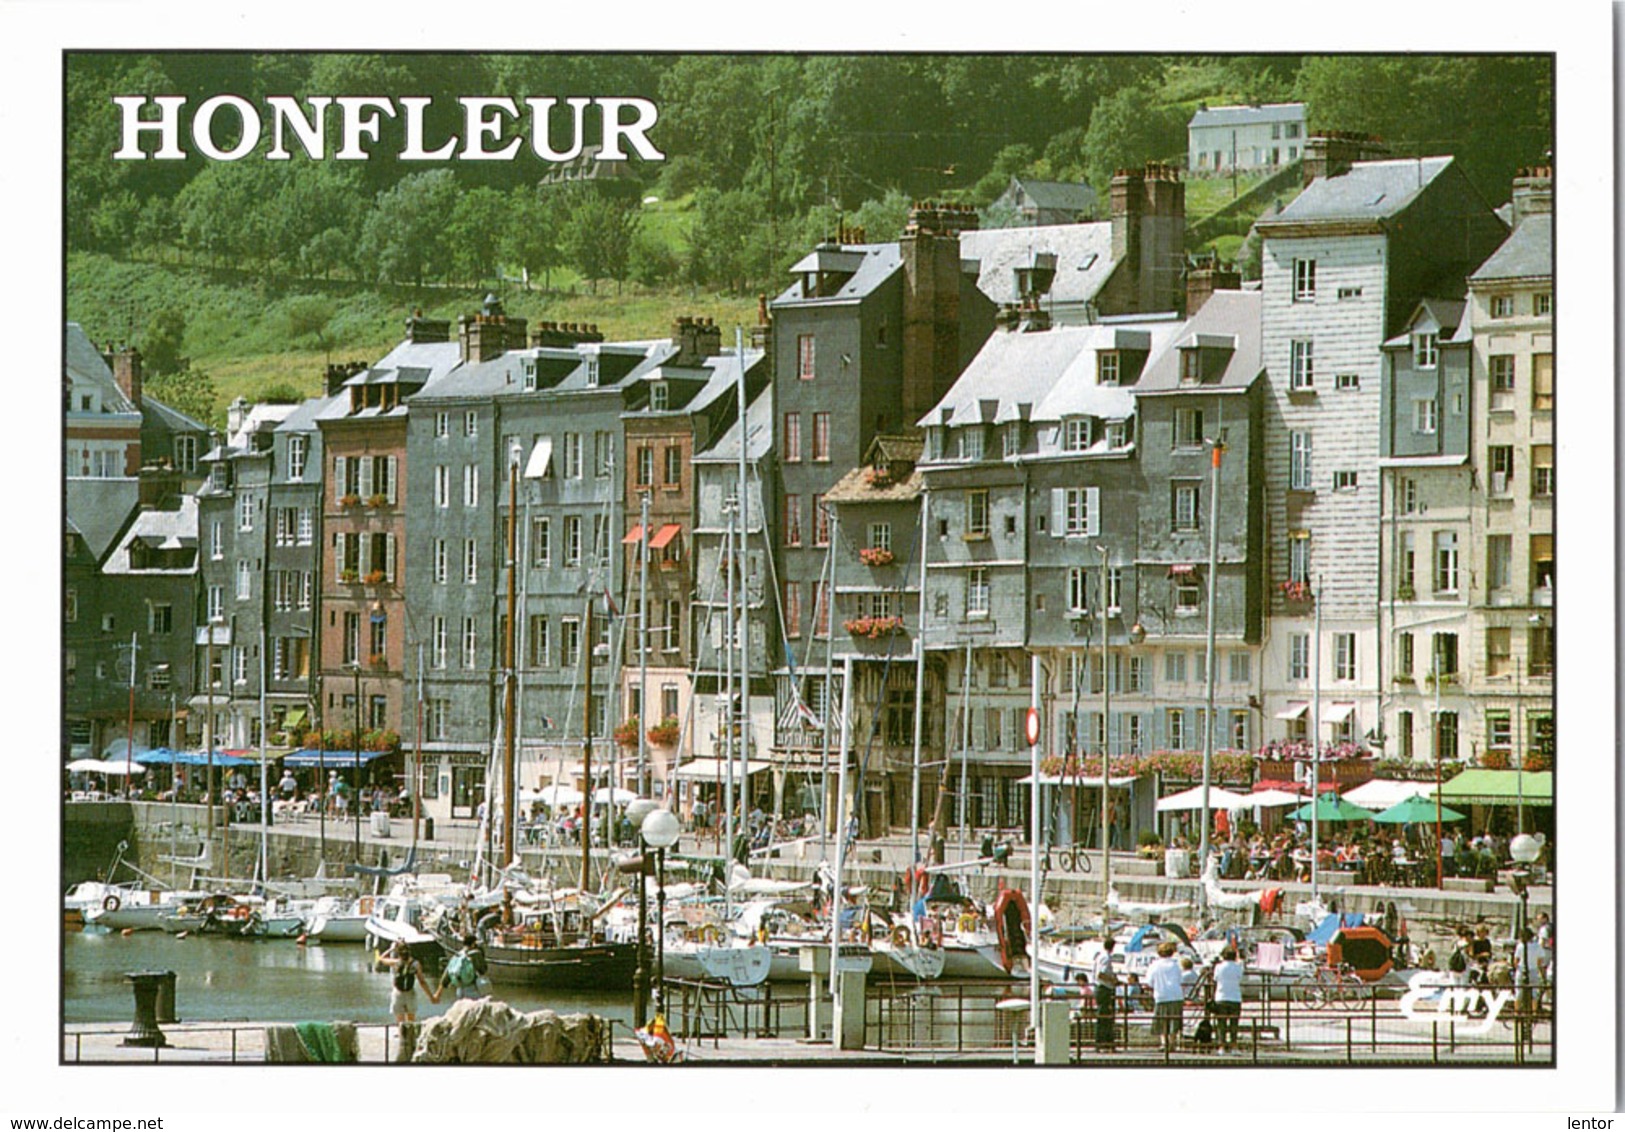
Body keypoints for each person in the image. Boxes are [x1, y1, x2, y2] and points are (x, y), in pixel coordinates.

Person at [382, 940, 439, 1024]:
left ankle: (402, 1034)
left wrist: (391, 949)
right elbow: (422, 982)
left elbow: (382, 958)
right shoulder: (415, 964)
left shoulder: (396, 963)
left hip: (398, 993)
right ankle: (410, 1035)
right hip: (410, 992)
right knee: (411, 1021)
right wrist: (431, 997)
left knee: (400, 1022)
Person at [1146, 940, 1185, 1054]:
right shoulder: (1175, 965)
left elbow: (1149, 982)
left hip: (1161, 995)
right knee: (1174, 1019)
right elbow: (1180, 979)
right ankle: (1172, 1042)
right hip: (1176, 994)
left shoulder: (1154, 965)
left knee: (1162, 1019)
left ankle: (1164, 1043)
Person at [1211, 946, 1245, 1053]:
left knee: (1221, 1024)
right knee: (1234, 1023)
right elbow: (1240, 978)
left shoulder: (1218, 967)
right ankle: (1234, 1046)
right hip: (1235, 997)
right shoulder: (1238, 966)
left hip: (1221, 996)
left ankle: (1221, 1046)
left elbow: (1215, 978)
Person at [1091, 936, 1119, 1050]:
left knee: (1104, 1017)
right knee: (1104, 1017)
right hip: (1104, 989)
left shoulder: (1100, 956)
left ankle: (1104, 1042)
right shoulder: (1106, 958)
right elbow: (1100, 974)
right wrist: (1113, 980)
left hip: (1102, 988)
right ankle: (1103, 1042)